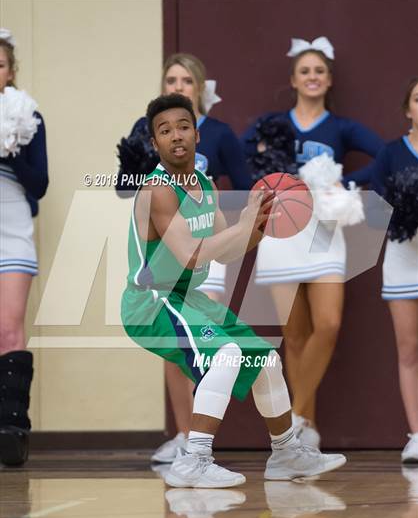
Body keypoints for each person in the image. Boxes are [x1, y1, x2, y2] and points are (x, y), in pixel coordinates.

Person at [121, 93, 346, 488]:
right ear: (154, 143)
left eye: (183, 127)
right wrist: (243, 227)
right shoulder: (157, 190)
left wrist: (260, 224)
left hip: (184, 299)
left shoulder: (205, 184)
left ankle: (286, 452)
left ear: (197, 135)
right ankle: (194, 459)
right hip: (151, 302)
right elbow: (191, 255)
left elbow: (228, 250)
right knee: (225, 355)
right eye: (165, 130)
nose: (176, 135)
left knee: (263, 359)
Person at [241, 37, 384, 447]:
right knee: (297, 336)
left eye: (319, 71)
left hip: (324, 231)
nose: (312, 77)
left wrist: (347, 186)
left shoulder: (341, 127)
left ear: (329, 79)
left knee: (329, 324)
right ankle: (305, 432)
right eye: (305, 71)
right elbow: (241, 153)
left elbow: (385, 155)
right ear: (293, 79)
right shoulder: (272, 124)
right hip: (281, 233)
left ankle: (296, 418)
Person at [116, 53, 252, 463]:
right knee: (185, 349)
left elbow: (242, 187)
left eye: (186, 80)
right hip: (171, 260)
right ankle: (186, 438)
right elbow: (125, 187)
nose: (178, 86)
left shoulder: (219, 136)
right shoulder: (154, 136)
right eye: (170, 80)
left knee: (209, 349)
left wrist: (248, 221)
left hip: (205, 254)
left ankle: (203, 441)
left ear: (200, 89)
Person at [0, 29, 49, 465]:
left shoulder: (27, 114)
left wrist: (9, 145)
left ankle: (11, 430)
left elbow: (40, 183)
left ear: (10, 71)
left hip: (12, 224)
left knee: (9, 329)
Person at [371, 77, 418, 464]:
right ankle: (417, 435)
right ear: (408, 109)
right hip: (404, 259)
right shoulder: (390, 154)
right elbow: (375, 212)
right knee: (409, 350)